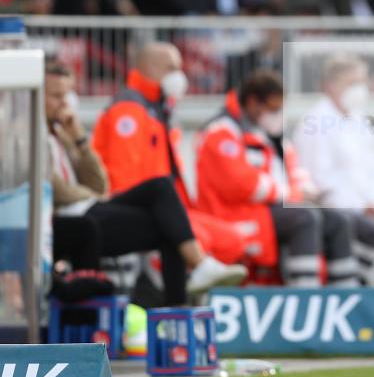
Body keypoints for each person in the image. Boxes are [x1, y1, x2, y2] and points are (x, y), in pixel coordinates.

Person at [45, 60, 246, 305]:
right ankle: (198, 268)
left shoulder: (64, 133)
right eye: (56, 95)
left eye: (67, 94)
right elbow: (54, 189)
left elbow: (99, 184)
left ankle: (179, 305)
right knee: (163, 208)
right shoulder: (31, 135)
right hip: (73, 216)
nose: (65, 102)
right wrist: (91, 196)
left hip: (91, 205)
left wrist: (79, 139)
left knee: (163, 199)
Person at [195, 70, 360, 287]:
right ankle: (305, 296)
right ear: (253, 103)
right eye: (273, 108)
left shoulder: (268, 132)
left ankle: (346, 296)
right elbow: (243, 185)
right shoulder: (220, 132)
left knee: (338, 221)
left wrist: (306, 190)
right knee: (305, 218)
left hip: (269, 209)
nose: (277, 114)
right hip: (236, 215)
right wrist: (293, 193)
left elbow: (294, 169)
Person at [92, 43, 250, 266]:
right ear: (148, 69)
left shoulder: (158, 110)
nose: (178, 74)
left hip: (167, 207)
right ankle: (171, 285)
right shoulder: (129, 109)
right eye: (170, 68)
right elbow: (123, 177)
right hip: (139, 208)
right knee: (198, 238)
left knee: (232, 239)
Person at [293, 54, 374, 283]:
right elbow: (319, 180)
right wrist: (361, 207)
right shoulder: (314, 122)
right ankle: (356, 286)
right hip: (337, 208)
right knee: (373, 231)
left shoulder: (359, 119)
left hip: (369, 204)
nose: (360, 89)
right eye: (352, 83)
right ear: (330, 86)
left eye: (362, 82)